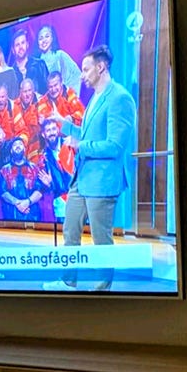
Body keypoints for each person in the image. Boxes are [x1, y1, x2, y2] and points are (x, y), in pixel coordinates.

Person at [43, 45, 136, 291]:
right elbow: (87, 134)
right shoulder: (94, 98)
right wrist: (64, 125)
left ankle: (102, 289)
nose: (82, 75)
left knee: (100, 238)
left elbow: (115, 146)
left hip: (102, 182)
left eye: (85, 69)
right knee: (70, 231)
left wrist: (81, 145)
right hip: (81, 180)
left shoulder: (120, 98)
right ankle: (68, 281)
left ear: (101, 67)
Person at [0, 137, 44, 221]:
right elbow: (2, 192)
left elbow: (40, 191)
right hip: (11, 216)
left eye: (20, 144)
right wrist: (17, 203)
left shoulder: (34, 168)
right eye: (15, 145)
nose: (17, 146)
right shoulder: (4, 170)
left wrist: (27, 202)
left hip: (32, 216)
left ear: (24, 149)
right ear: (11, 151)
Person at [37, 118, 74, 223]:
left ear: (58, 130)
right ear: (43, 134)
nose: (52, 133)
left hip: (78, 196)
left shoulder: (69, 145)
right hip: (61, 202)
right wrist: (48, 184)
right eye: (48, 130)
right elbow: (49, 188)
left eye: (53, 129)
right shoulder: (43, 158)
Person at [35, 25, 82, 96]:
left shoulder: (60, 55)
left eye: (47, 36)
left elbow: (76, 75)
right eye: (40, 38)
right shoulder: (36, 63)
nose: (44, 40)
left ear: (52, 38)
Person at [10, 28, 49, 95]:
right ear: (13, 50)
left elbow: (48, 91)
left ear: (27, 45)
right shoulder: (10, 73)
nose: (20, 47)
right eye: (17, 45)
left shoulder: (40, 65)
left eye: (23, 43)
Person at [12, 78, 40, 163]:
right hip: (19, 146)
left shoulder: (40, 104)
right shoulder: (13, 106)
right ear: (20, 92)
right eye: (25, 91)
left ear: (33, 91)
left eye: (29, 90)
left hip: (35, 147)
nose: (27, 94)